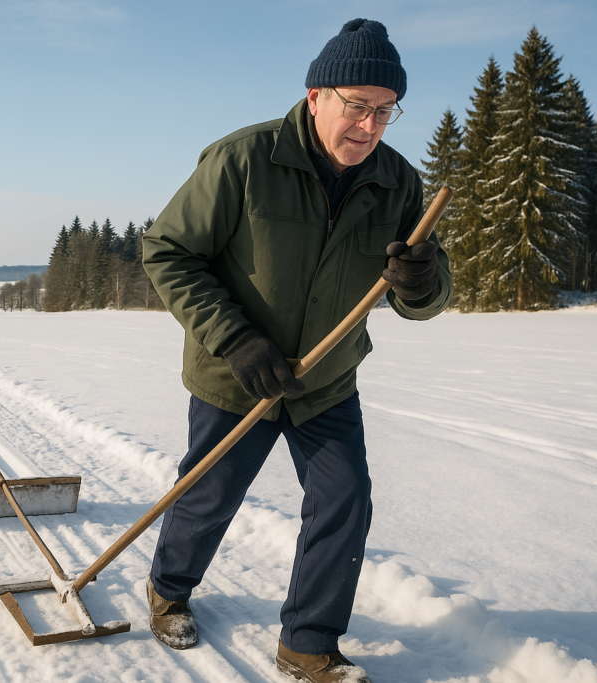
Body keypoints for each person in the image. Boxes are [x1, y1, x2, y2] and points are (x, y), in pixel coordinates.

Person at [141, 18, 452, 683]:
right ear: (316, 96)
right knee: (210, 492)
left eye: (385, 111)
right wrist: (233, 336)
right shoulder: (245, 159)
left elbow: (423, 294)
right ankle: (168, 588)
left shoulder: (398, 182)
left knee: (345, 499)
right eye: (357, 105)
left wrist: (423, 282)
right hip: (237, 373)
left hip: (325, 382)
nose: (369, 125)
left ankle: (308, 642)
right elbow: (168, 252)